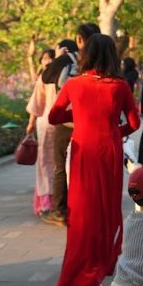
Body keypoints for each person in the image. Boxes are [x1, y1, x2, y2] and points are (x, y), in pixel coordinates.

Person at [48, 34, 141, 286]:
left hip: (83, 150)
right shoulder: (120, 86)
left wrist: (78, 114)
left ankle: (87, 272)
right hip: (109, 150)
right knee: (107, 207)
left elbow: (55, 116)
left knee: (82, 208)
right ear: (113, 55)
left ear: (86, 53)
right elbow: (134, 123)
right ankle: (105, 262)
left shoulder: (74, 85)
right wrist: (113, 131)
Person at [41, 23, 100, 225]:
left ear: (79, 39)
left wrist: (58, 57)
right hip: (94, 123)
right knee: (90, 167)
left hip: (66, 122)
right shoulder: (103, 61)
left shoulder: (69, 59)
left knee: (60, 166)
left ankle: (60, 210)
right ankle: (89, 209)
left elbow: (46, 77)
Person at [26, 49, 58, 217]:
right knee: (59, 164)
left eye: (49, 57)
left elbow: (36, 104)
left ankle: (46, 202)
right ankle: (59, 200)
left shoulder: (44, 77)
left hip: (45, 123)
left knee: (45, 163)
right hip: (63, 124)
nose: (46, 61)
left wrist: (30, 123)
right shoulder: (66, 76)